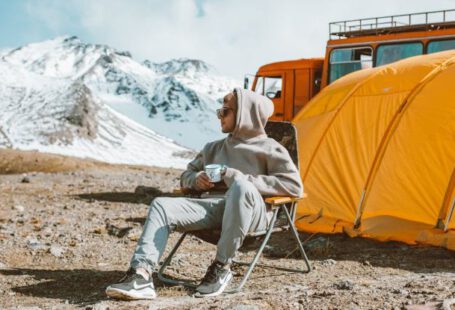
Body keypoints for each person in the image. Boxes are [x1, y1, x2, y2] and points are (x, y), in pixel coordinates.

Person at [105, 88, 303, 300]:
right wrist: (196, 181)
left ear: (245, 113)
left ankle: (222, 266)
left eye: (225, 111)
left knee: (241, 187)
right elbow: (185, 176)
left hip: (253, 213)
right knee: (161, 204)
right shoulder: (213, 148)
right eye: (220, 110)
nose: (219, 116)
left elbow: (293, 186)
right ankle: (141, 275)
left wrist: (238, 177)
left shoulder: (271, 148)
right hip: (213, 208)